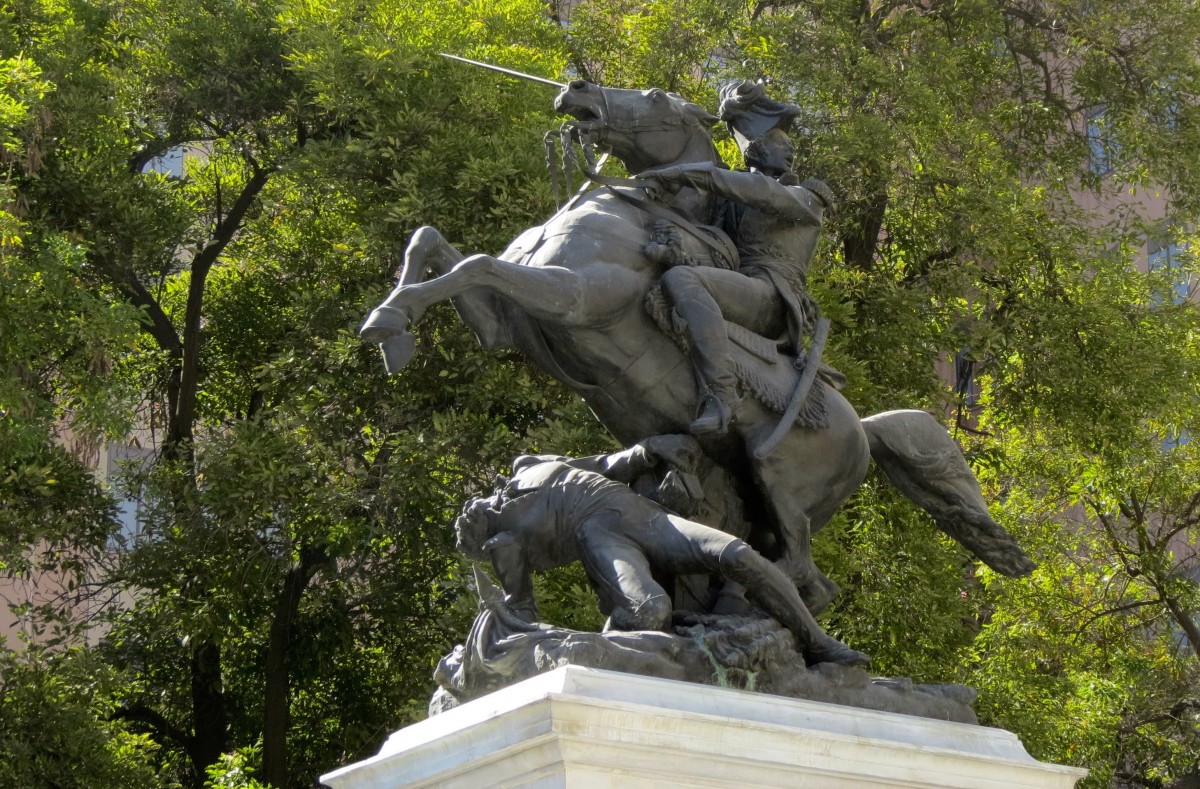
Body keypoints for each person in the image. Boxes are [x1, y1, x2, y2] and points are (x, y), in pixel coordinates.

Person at [452, 435, 869, 668]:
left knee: (739, 555)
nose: (473, 513)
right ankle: (622, 644)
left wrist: (650, 449)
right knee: (652, 611)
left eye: (473, 512)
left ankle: (818, 642)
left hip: (645, 516)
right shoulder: (505, 543)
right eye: (471, 525)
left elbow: (608, 464)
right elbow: (520, 606)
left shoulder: (528, 464)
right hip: (601, 537)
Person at [645, 81, 836, 434]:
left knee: (682, 280)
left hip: (773, 296)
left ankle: (723, 396)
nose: (791, 150)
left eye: (790, 145)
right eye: (782, 144)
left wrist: (690, 173)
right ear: (757, 151)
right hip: (739, 284)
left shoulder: (806, 197)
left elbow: (760, 192)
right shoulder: (729, 198)